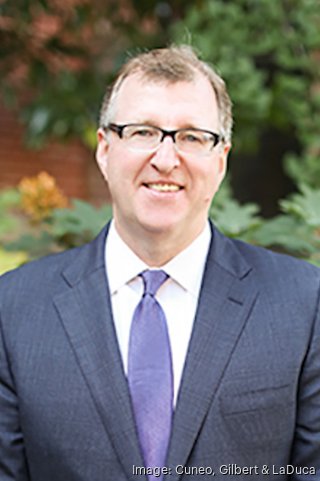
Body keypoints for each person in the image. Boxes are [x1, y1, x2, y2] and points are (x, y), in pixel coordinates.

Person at [0, 45, 319, 481]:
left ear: (221, 159)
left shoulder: (304, 304)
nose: (166, 159)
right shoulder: (13, 309)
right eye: (143, 132)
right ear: (104, 149)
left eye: (192, 137)